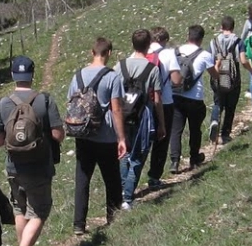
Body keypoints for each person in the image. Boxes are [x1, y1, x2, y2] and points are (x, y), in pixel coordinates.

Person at [0, 55, 65, 246]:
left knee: (20, 209)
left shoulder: (3, 103)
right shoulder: (44, 100)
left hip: (14, 167)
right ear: (32, 74)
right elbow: (57, 134)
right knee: (40, 211)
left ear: (13, 75)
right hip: (40, 166)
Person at [67, 37, 127, 235]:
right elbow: (116, 108)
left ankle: (78, 223)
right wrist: (121, 138)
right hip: (106, 135)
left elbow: (71, 102)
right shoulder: (112, 77)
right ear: (108, 53)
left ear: (92, 52)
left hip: (82, 134)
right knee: (111, 178)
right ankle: (113, 215)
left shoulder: (77, 76)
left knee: (83, 178)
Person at [116, 29, 164, 209]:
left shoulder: (119, 66)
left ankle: (121, 191)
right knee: (138, 156)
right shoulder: (152, 69)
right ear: (149, 45)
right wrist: (161, 123)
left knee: (124, 153)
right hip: (142, 116)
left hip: (121, 114)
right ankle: (127, 198)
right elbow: (157, 99)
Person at [169, 25, 217, 173]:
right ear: (201, 39)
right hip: (195, 98)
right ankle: (194, 159)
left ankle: (174, 162)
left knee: (176, 130)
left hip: (176, 95)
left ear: (187, 35)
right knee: (195, 129)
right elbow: (214, 75)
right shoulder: (204, 55)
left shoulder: (174, 52)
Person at [145, 27, 180, 189]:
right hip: (164, 102)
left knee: (142, 141)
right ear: (165, 40)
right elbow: (176, 80)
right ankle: (154, 176)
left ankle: (130, 180)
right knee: (162, 140)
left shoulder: (139, 53)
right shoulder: (168, 54)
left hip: (142, 104)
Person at [209, 16, 242, 145]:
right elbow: (242, 59)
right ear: (233, 27)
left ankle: (214, 121)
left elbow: (210, 59)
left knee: (218, 103)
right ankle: (225, 134)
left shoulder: (214, 42)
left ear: (221, 27)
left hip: (218, 78)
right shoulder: (238, 41)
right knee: (230, 106)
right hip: (233, 79)